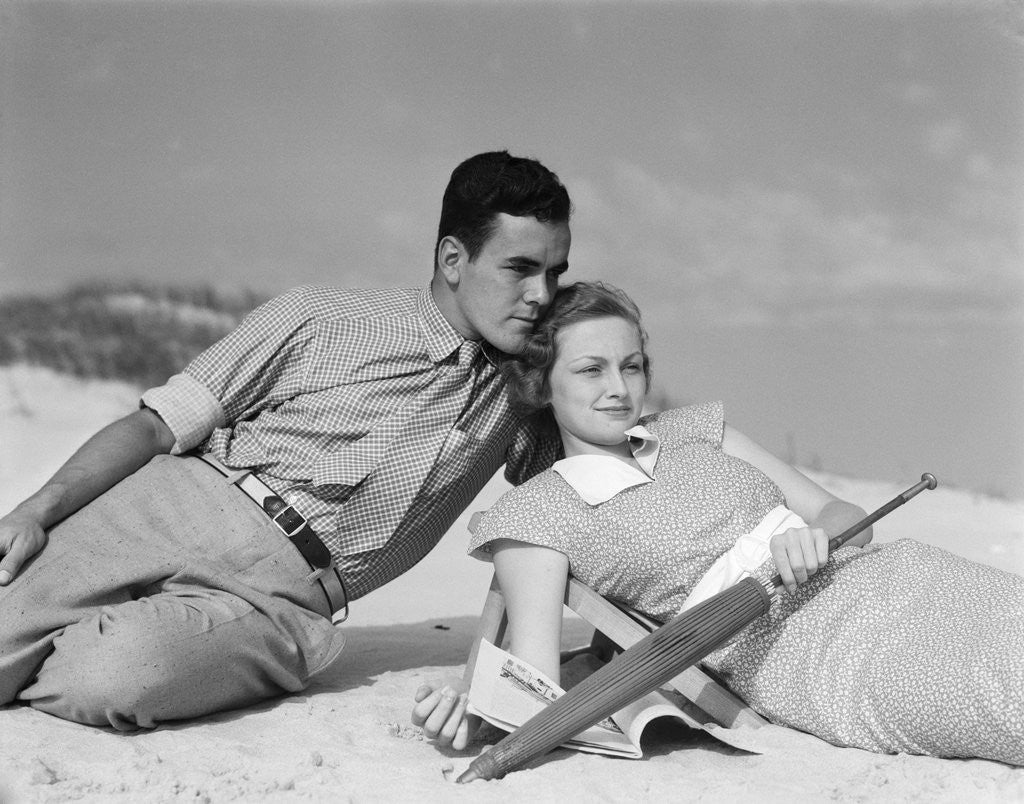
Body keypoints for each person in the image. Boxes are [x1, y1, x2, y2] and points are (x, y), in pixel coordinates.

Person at [0, 150, 573, 730]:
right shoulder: (319, 316)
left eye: (555, 273)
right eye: (520, 268)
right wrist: (34, 511)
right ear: (454, 259)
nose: (542, 295)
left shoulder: (528, 392)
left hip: (277, 602)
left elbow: (589, 482)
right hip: (171, 507)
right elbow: (155, 424)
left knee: (118, 677)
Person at [412, 281, 1024, 767]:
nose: (619, 389)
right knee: (1000, 694)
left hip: (889, 578)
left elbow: (847, 517)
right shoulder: (538, 511)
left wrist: (817, 535)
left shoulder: (697, 431)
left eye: (632, 366)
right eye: (591, 370)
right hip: (799, 650)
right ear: (543, 382)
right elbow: (535, 679)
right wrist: (475, 711)